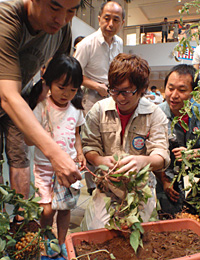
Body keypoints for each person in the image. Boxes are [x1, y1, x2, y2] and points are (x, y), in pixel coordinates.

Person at [0, 0, 82, 202]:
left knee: (19, 158)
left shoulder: (62, 29)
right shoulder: (7, 19)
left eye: (71, 11)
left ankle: (21, 218)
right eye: (54, 8)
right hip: (10, 98)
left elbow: (61, 70)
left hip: (19, 99)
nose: (62, 19)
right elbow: (8, 96)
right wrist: (55, 154)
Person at [81, 53, 170, 230]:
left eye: (127, 92)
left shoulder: (155, 114)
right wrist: (100, 160)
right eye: (114, 90)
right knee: (94, 234)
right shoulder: (99, 110)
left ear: (142, 89)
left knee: (142, 235)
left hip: (140, 189)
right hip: (106, 187)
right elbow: (89, 146)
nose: (120, 98)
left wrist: (143, 161)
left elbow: (161, 155)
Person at [27, 54, 86, 259]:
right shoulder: (42, 108)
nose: (66, 94)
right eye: (62, 87)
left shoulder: (75, 109)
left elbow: (76, 135)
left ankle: (60, 243)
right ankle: (44, 239)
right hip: (44, 168)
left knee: (65, 208)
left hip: (68, 168)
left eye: (73, 89)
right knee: (47, 210)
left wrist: (79, 152)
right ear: (49, 81)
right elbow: (29, 138)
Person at [74, 1, 125, 195]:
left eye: (115, 20)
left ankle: (108, 179)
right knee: (91, 141)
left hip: (113, 97)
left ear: (122, 22)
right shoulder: (87, 44)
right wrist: (96, 86)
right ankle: (93, 185)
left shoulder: (119, 42)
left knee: (110, 139)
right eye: (106, 18)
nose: (110, 24)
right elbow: (74, 74)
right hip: (90, 98)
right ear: (99, 19)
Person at [156, 64, 200, 215]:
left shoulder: (198, 112)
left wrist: (194, 154)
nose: (174, 95)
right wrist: (164, 181)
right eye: (170, 88)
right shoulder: (156, 114)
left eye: (182, 90)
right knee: (171, 220)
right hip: (167, 179)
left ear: (193, 93)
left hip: (196, 177)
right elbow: (151, 152)